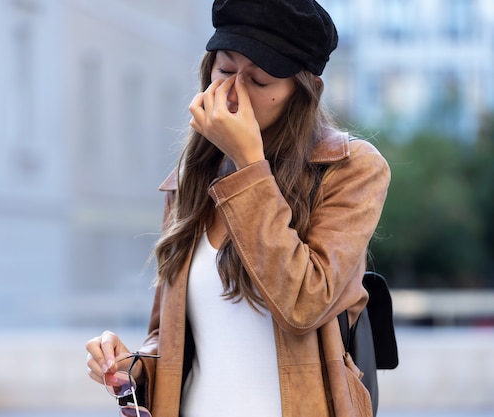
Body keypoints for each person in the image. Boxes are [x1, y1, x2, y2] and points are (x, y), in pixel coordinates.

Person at [86, 0, 390, 416]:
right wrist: (132, 367)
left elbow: (304, 303)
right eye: (225, 70)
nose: (232, 92)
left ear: (301, 92)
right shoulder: (190, 178)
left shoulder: (351, 169)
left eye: (259, 80)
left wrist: (249, 165)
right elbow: (172, 338)